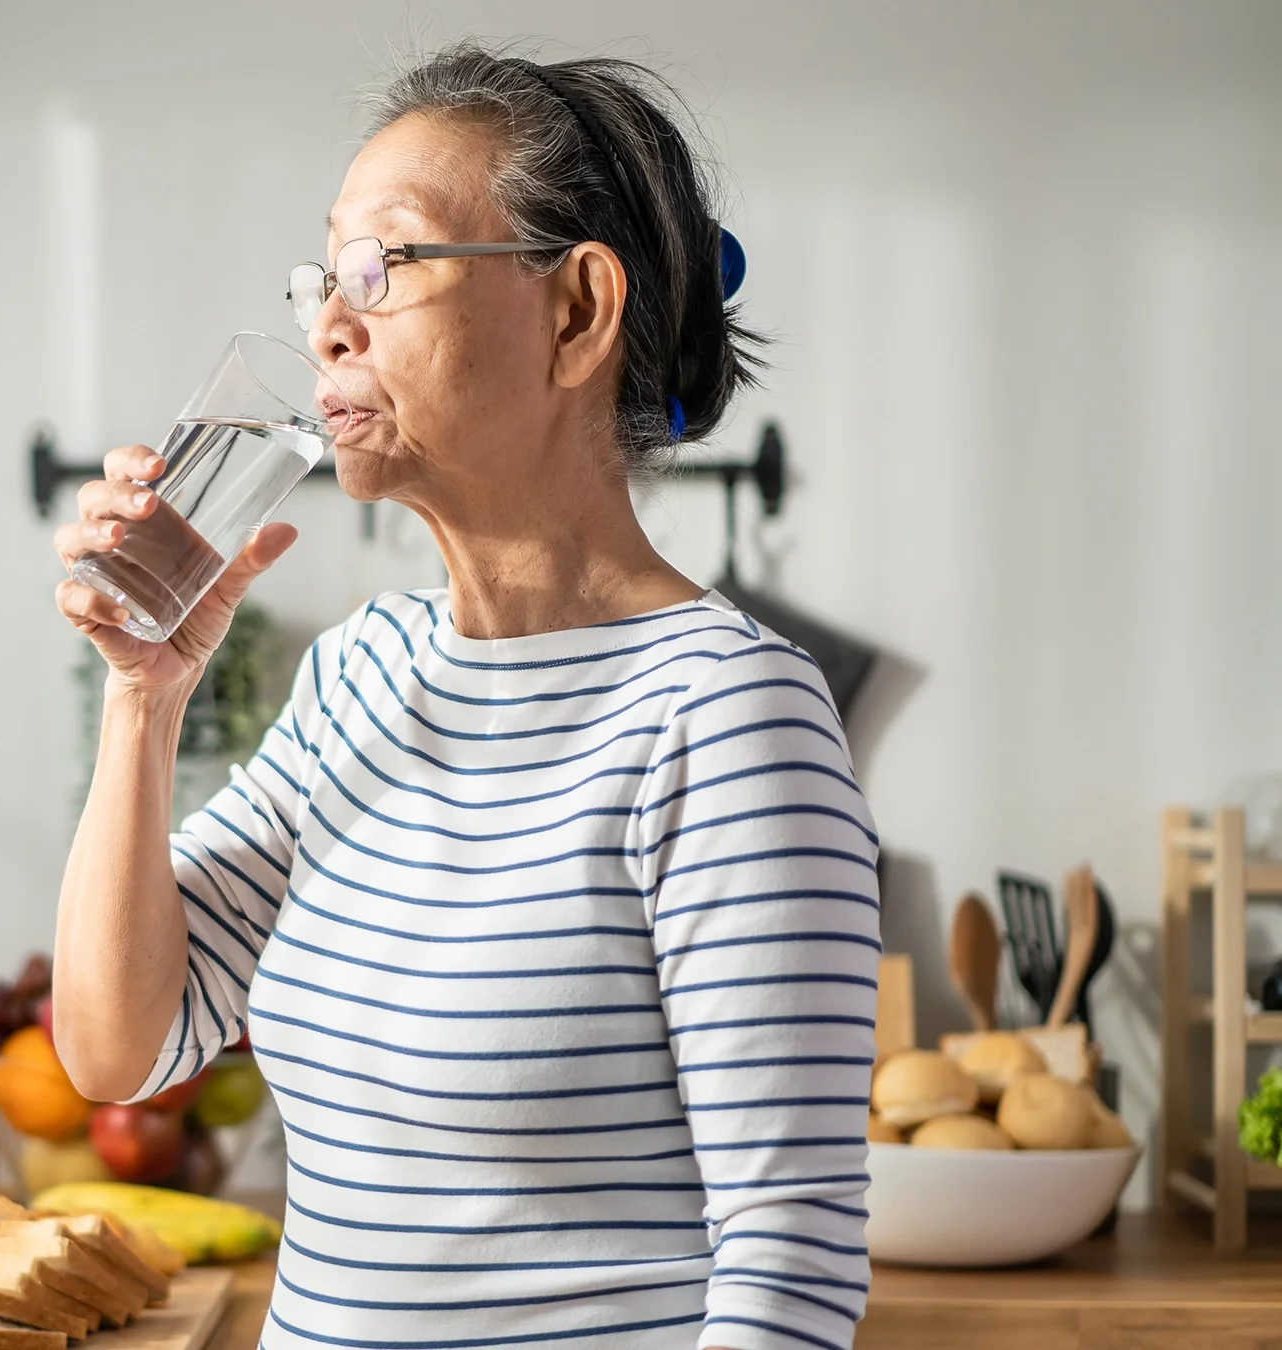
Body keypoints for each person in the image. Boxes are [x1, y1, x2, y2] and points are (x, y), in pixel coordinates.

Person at [50, 41, 879, 1350]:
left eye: (389, 263)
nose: (329, 315)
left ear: (574, 314)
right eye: (328, 269)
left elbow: (789, 1277)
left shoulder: (728, 718)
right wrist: (143, 697)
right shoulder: (352, 679)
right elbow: (117, 1047)